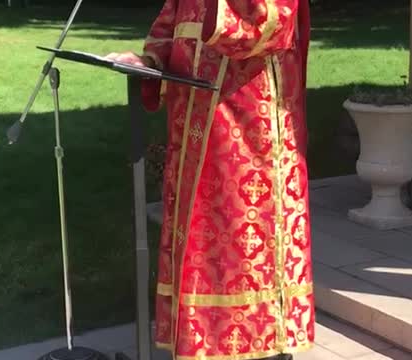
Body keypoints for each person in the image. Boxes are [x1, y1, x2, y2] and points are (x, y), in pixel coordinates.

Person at [106, 1, 314, 359]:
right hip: (195, 127)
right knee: (199, 240)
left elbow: (268, 24)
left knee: (241, 246)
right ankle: (201, 342)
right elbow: (172, 21)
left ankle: (260, 345)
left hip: (249, 129)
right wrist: (150, 62)